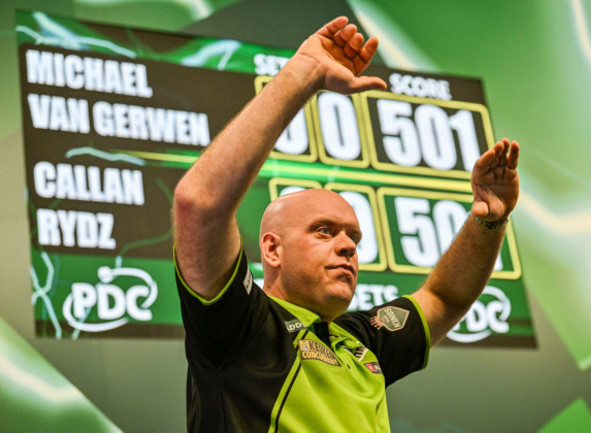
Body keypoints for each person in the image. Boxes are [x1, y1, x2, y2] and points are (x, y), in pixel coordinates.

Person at [173, 16, 519, 433]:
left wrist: (489, 220)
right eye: (324, 231)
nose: (348, 246)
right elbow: (198, 203)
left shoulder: (360, 341)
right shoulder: (242, 326)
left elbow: (444, 297)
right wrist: (302, 74)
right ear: (272, 250)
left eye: (353, 236)